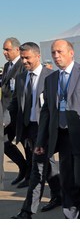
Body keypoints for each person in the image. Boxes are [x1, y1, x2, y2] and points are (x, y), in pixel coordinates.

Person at [35, 39, 80, 219]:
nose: (56, 56)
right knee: (67, 182)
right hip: (62, 138)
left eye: (60, 52)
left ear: (71, 53)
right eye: (53, 52)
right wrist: (41, 140)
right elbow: (46, 111)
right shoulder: (51, 79)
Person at [9, 42, 61, 219]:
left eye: (27, 58)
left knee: (37, 168)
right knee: (47, 165)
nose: (23, 61)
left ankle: (27, 211)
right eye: (22, 58)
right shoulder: (22, 77)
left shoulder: (52, 76)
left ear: (38, 56)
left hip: (44, 128)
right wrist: (8, 122)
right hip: (28, 129)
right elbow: (17, 103)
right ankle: (59, 195)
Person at [2, 37, 27, 187]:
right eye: (3, 50)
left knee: (27, 145)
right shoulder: (7, 66)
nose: (4, 52)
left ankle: (29, 175)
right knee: (4, 141)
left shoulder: (23, 65)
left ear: (17, 49)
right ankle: (23, 167)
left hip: (19, 112)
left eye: (7, 49)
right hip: (8, 112)